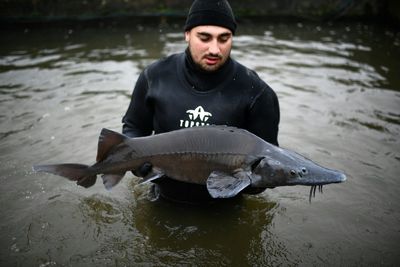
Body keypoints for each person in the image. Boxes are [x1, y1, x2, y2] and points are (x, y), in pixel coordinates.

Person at [122, 0, 280, 203]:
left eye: (224, 38)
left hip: (225, 210)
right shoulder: (155, 76)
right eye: (204, 38)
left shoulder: (257, 92)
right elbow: (133, 128)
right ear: (187, 34)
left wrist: (255, 181)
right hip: (163, 200)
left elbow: (269, 163)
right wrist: (137, 163)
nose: (215, 49)